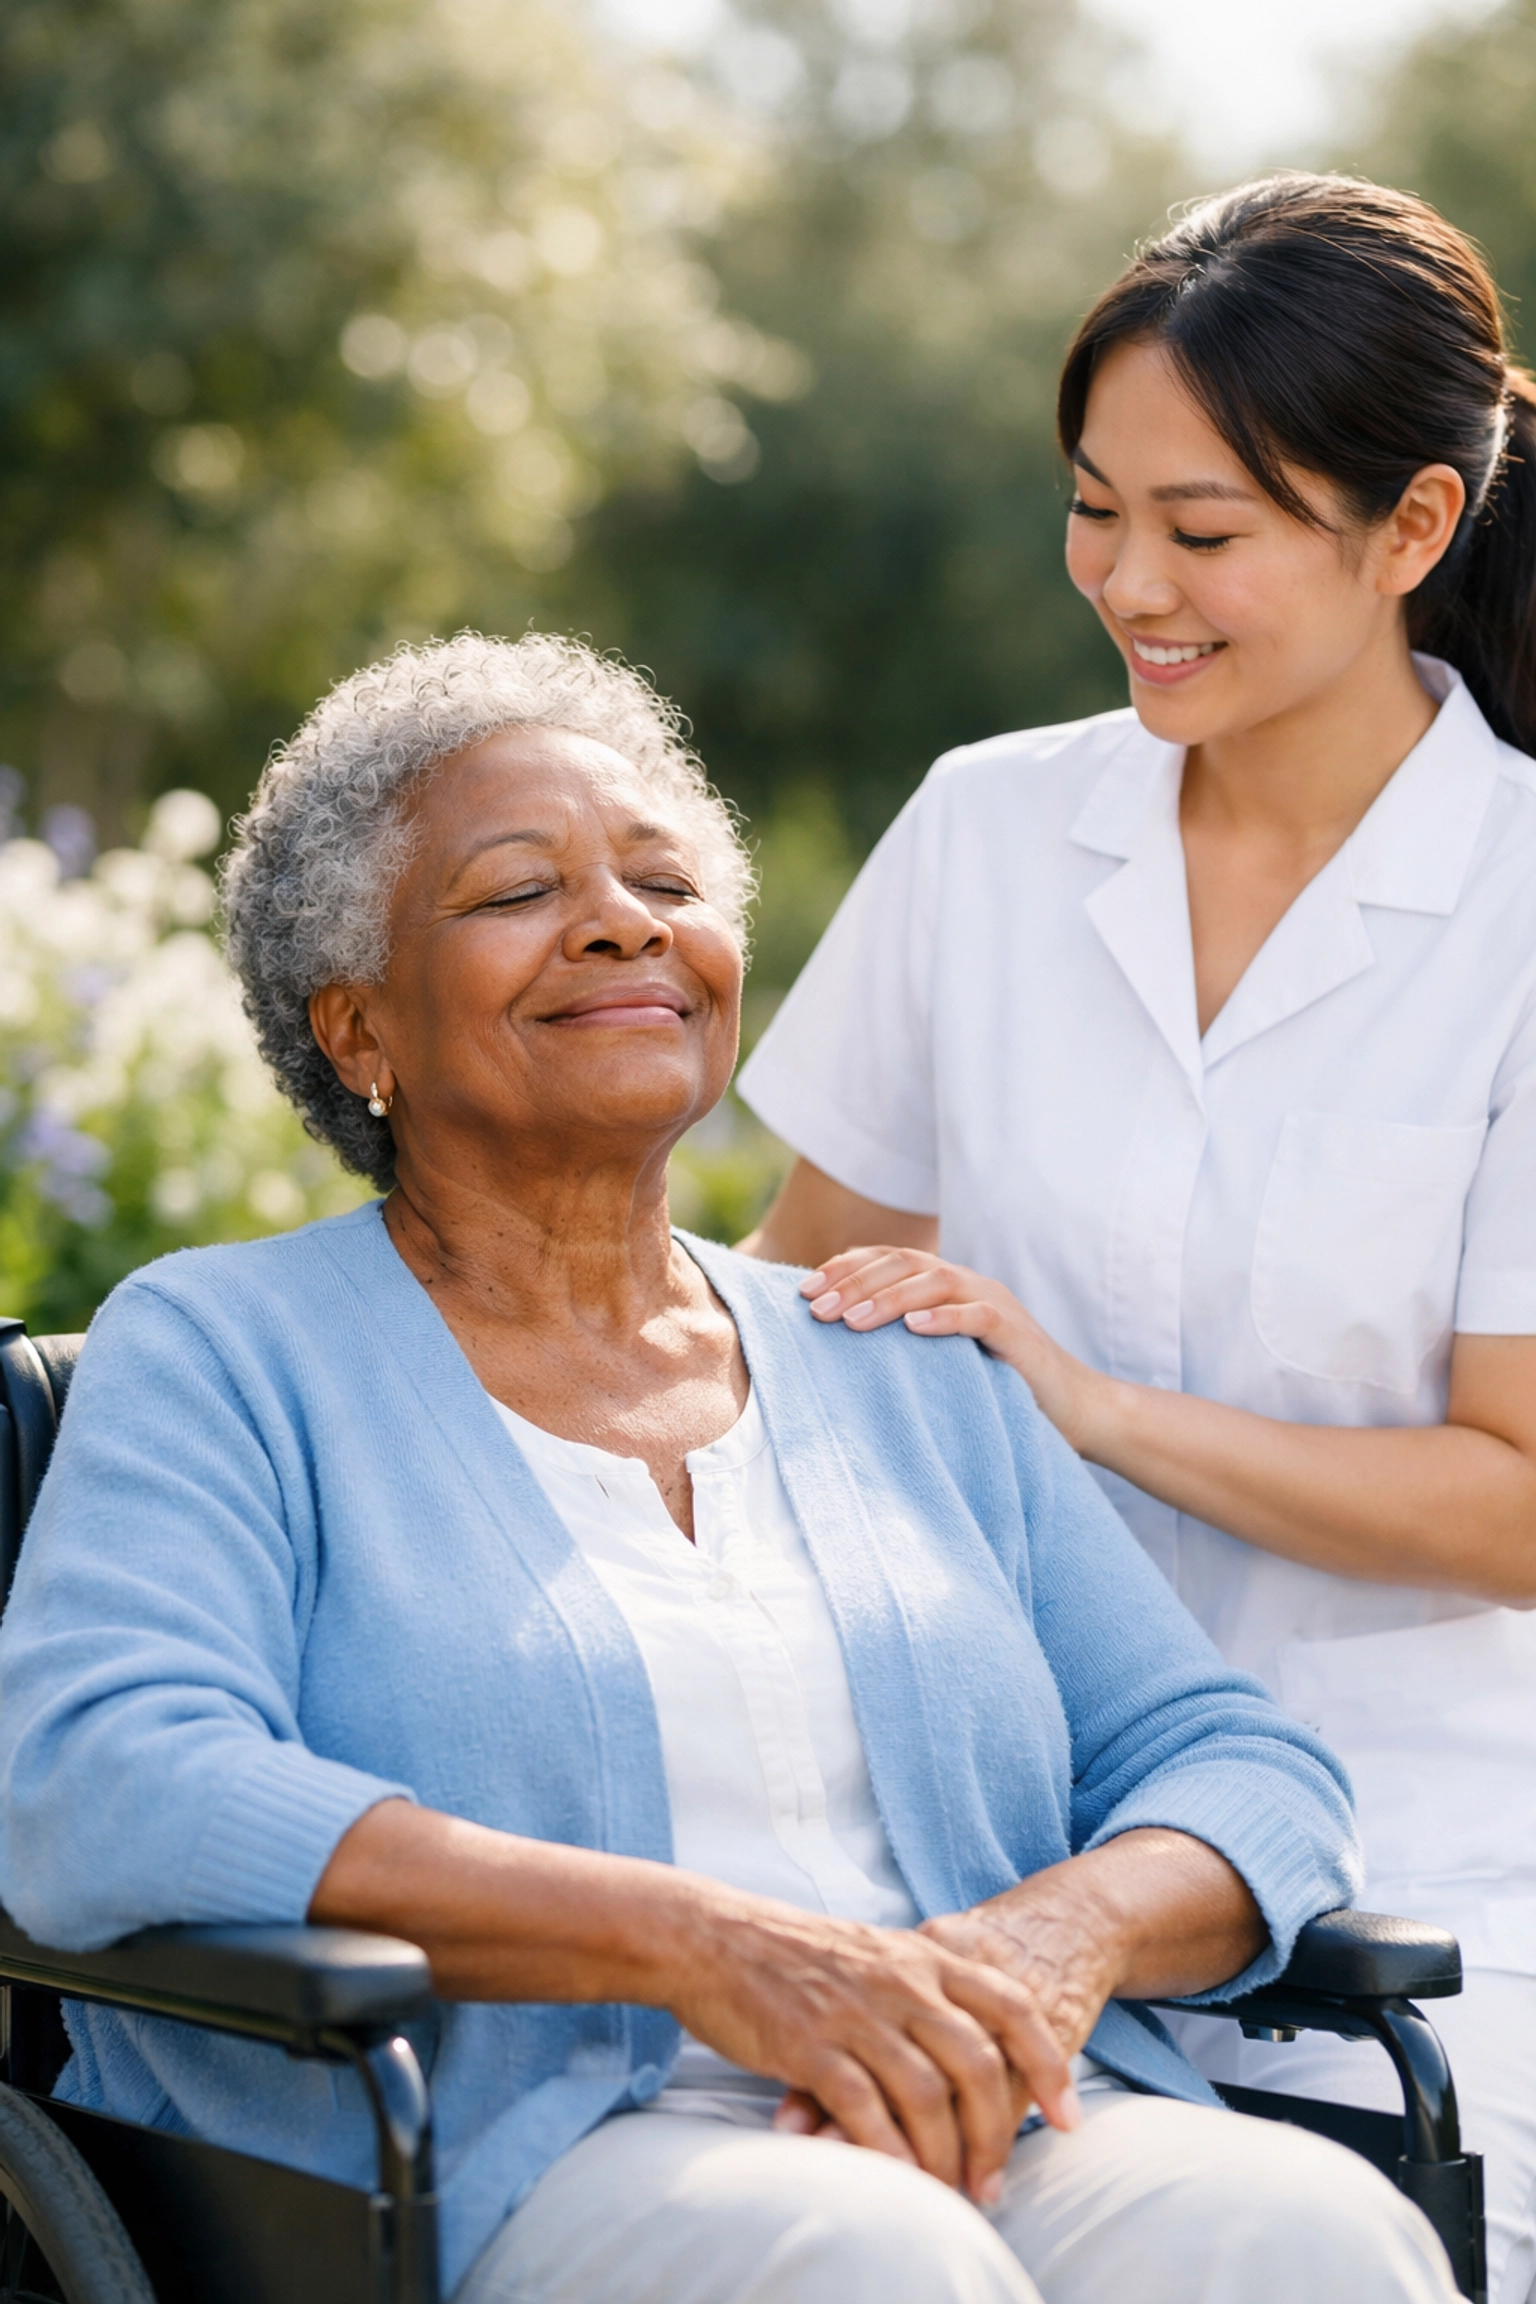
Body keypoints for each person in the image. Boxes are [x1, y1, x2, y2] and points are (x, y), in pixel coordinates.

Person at [0, 634, 1453, 2304]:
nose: (623, 920)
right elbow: (105, 1779)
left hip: (991, 2099)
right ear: (357, 1028)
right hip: (493, 2155)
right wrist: (709, 1949)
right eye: (514, 891)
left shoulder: (895, 1357)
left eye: (664, 879)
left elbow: (1236, 1761)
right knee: (870, 2264)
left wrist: (1047, 1946)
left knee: (1302, 2227)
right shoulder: (223, 1349)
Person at [737, 171, 1536, 2304]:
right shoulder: (991, 830)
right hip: (978, 1849)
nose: (1127, 584)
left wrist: (1089, 1410)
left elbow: (1521, 1501)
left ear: (1415, 532)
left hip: (1423, 1882)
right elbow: (794, 1307)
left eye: (1207, 533)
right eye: (1097, 512)